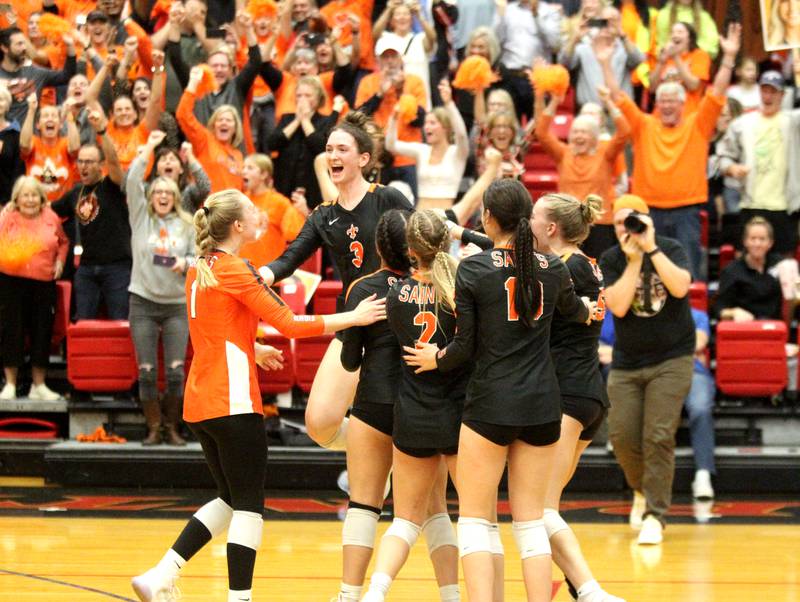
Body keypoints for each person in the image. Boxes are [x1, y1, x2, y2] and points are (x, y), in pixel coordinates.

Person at [130, 188, 387, 602]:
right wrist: (353, 317)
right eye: (252, 212)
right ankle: (239, 598)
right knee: (249, 505)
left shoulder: (202, 267)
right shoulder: (235, 269)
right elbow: (290, 324)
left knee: (230, 498)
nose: (258, 216)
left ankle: (161, 573)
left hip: (202, 400)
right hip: (231, 401)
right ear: (236, 225)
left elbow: (217, 329)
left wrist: (253, 347)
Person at [404, 179, 592, 602]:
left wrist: (435, 359)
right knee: (531, 524)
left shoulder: (474, 269)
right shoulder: (554, 268)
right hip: (543, 406)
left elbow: (463, 348)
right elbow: (577, 312)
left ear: (488, 217)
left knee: (474, 521)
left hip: (490, 404)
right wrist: (587, 310)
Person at [259, 112, 413, 451]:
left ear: (363, 158)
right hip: (353, 322)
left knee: (404, 416)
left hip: (398, 322)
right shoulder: (323, 215)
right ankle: (372, 451)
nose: (333, 156)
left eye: (342, 149)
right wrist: (260, 276)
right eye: (329, 149)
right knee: (320, 422)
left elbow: (423, 246)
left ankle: (389, 465)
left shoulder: (387, 199)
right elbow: (289, 259)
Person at [361, 210, 465, 602]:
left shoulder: (394, 296)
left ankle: (376, 591)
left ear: (409, 251)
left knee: (404, 520)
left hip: (413, 413)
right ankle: (453, 596)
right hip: (457, 415)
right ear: (447, 243)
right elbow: (470, 347)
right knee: (470, 520)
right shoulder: (460, 291)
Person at [530, 192, 625, 602]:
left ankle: (591, 590)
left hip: (566, 394)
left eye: (532, 218)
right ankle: (582, 590)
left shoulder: (560, 269)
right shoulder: (582, 263)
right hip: (586, 393)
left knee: (539, 511)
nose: (526, 224)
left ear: (551, 228)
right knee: (541, 510)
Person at [598, 22, 741, 279]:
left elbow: (718, 92)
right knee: (648, 273)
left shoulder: (697, 125)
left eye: (672, 101)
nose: (666, 106)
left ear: (683, 104)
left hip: (687, 212)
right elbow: (618, 96)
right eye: (662, 101)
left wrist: (729, 57)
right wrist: (606, 64)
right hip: (648, 211)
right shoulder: (644, 124)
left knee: (686, 272)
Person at [600, 194, 695, 546]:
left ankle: (656, 514)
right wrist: (633, 261)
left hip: (672, 358)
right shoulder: (611, 259)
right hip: (628, 361)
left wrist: (652, 249)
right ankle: (641, 490)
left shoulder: (670, 247)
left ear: (647, 219)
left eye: (633, 220)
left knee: (658, 436)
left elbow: (681, 286)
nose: (627, 228)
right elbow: (620, 307)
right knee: (622, 438)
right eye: (620, 223)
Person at [335, 209, 411, 602]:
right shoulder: (431, 285)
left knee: (364, 504)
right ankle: (451, 594)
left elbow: (349, 361)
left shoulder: (364, 288)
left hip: (373, 403)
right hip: (419, 406)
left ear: (379, 246)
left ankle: (350, 595)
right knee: (429, 512)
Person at [126, 130, 196, 447]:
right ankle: (153, 428)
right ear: (151, 196)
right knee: (147, 371)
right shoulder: (141, 219)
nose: (163, 195)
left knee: (177, 371)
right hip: (142, 302)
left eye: (168, 191)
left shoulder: (189, 223)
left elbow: (200, 258)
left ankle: (172, 427)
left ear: (175, 196)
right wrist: (149, 149)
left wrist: (188, 262)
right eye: (158, 191)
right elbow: (130, 181)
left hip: (176, 306)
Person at [535, 86, 630, 259]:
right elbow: (541, 132)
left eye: (584, 132)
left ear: (595, 137)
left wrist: (608, 101)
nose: (579, 136)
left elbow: (624, 132)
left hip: (600, 224)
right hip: (568, 224)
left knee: (598, 274)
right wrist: (555, 102)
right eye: (575, 132)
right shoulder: (563, 153)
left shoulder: (605, 153)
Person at [50, 114, 130, 320]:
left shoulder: (112, 186)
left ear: (101, 165)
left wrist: (103, 132)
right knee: (83, 322)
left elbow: (114, 161)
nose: (83, 166)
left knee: (119, 321)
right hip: (85, 268)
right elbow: (47, 210)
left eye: (89, 162)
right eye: (80, 161)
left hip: (117, 267)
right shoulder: (75, 193)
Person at [717, 70, 800, 256]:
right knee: (745, 262)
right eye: (764, 90)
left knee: (785, 266)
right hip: (751, 202)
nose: (768, 96)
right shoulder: (743, 123)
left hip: (784, 206)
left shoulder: (793, 122)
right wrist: (730, 167)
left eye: (773, 91)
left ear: (782, 95)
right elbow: (722, 155)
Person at [0, 176, 68, 402]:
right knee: (12, 331)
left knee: (42, 332)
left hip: (43, 282)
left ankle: (38, 385)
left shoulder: (51, 217)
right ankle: (10, 384)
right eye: (25, 195)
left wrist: (60, 260)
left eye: (34, 195)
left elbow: (64, 242)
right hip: (12, 282)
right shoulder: (7, 217)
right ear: (16, 199)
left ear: (41, 198)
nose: (30, 199)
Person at [385, 79, 469, 212]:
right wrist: (394, 118)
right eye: (426, 123)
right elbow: (391, 145)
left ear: (446, 127)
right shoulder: (422, 151)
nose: (427, 127)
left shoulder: (457, 153)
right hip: (420, 217)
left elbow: (462, 136)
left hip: (447, 219)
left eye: (432, 123)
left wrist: (449, 104)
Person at [267, 77, 342, 211]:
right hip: (285, 183)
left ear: (318, 97)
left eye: (308, 95)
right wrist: (297, 121)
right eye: (299, 95)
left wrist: (305, 121)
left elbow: (320, 147)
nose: (302, 99)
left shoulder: (325, 121)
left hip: (313, 187)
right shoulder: (287, 118)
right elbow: (272, 143)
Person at [558, 5, 644, 109]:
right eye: (603, 21)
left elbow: (638, 60)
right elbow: (564, 62)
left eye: (613, 21)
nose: (608, 25)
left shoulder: (625, 48)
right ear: (597, 23)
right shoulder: (584, 47)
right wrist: (574, 39)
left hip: (621, 110)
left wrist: (622, 35)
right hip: (589, 112)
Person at [176, 66, 245, 193]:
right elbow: (183, 115)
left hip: (231, 210)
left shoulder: (238, 155)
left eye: (229, 120)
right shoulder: (205, 140)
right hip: (207, 208)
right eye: (220, 120)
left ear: (235, 128)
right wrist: (193, 84)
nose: (224, 123)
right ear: (213, 125)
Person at [239, 153, 307, 268]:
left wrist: (303, 213)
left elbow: (293, 234)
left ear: (264, 174)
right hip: (243, 272)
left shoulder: (280, 202)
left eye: (250, 168)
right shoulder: (240, 200)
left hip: (270, 273)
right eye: (243, 168)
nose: (244, 171)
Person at [713, 217, 784, 323]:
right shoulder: (731, 271)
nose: (757, 244)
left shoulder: (781, 265)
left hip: (775, 329)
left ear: (770, 243)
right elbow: (719, 309)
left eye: (762, 239)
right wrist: (734, 312)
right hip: (745, 329)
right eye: (753, 239)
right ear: (745, 242)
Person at [0, 26, 77, 125]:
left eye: (24, 43)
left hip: (31, 137)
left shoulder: (35, 73)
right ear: (4, 48)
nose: (24, 48)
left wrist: (70, 46)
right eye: (19, 44)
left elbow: (67, 76)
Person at [373, 0, 438, 109]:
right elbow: (375, 33)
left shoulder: (420, 38)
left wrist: (419, 15)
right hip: (391, 100)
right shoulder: (386, 37)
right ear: (392, 20)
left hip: (418, 97)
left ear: (411, 19)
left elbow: (432, 37)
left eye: (406, 14)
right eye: (397, 14)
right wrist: (388, 10)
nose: (402, 17)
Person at [20, 93, 80, 203]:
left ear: (61, 124)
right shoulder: (33, 142)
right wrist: (31, 111)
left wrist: (69, 114)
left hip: (62, 209)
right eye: (46, 116)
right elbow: (24, 145)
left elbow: (75, 148)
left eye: (54, 116)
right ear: (38, 125)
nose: (50, 119)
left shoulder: (65, 142)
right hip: (36, 207)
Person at [649, 21, 711, 116]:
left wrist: (675, 57)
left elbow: (693, 85)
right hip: (661, 116)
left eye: (680, 32)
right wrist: (661, 62)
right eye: (672, 32)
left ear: (689, 38)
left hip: (687, 116)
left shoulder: (700, 55)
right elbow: (652, 88)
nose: (675, 35)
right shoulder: (665, 57)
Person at [654, 0, 719, 59]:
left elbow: (711, 47)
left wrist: (688, 52)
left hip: (695, 64)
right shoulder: (664, 14)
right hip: (669, 63)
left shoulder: (704, 17)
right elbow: (660, 45)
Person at [0, 86, 24, 204]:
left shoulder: (15, 134)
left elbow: (17, 171)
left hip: (7, 202)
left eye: (1, 99)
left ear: (7, 104)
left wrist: (11, 201)